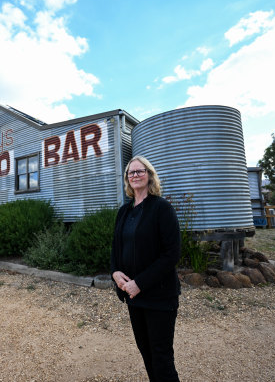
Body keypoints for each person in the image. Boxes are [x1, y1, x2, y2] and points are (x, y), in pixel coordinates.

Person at [110, 155, 181, 382]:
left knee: (161, 356)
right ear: (127, 179)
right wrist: (114, 272)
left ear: (149, 176)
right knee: (146, 353)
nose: (135, 175)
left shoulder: (162, 208)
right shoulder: (124, 211)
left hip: (159, 296)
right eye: (131, 172)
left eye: (140, 171)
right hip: (133, 295)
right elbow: (116, 249)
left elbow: (172, 254)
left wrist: (139, 283)